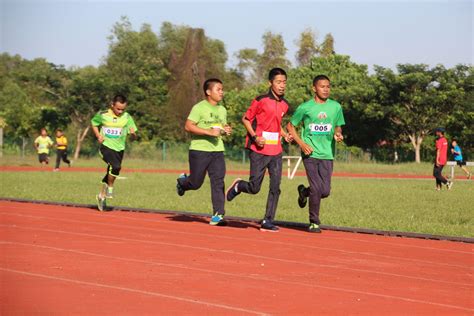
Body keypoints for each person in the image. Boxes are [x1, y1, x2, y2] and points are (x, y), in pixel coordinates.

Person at [226, 68, 292, 232]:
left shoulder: (285, 104)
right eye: (278, 82)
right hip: (259, 149)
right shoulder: (261, 100)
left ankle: (267, 221)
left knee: (275, 187)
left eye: (284, 82)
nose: (282, 85)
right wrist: (255, 137)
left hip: (276, 150)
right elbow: (246, 119)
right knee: (255, 188)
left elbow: (276, 125)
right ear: (270, 83)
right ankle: (239, 186)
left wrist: (285, 134)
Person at [286, 75, 345, 233]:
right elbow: (290, 126)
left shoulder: (336, 107)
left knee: (324, 191)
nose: (326, 89)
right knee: (317, 187)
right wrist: (302, 144)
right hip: (310, 153)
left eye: (328, 86)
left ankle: (304, 192)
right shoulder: (305, 107)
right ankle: (314, 222)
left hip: (327, 154)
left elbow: (338, 126)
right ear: (314, 88)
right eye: (322, 86)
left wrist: (338, 134)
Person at [176, 78, 232, 226]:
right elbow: (188, 126)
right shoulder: (199, 108)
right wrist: (208, 132)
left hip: (217, 150)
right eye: (218, 89)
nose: (221, 92)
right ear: (208, 92)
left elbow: (221, 126)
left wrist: (225, 130)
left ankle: (218, 215)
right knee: (196, 183)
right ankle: (182, 182)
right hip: (199, 150)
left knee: (218, 181)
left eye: (222, 89)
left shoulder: (222, 109)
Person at [91, 95, 137, 211]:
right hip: (105, 146)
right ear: (112, 105)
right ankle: (110, 187)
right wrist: (98, 135)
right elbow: (94, 123)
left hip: (119, 149)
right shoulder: (103, 114)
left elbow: (134, 137)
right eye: (118, 109)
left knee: (113, 170)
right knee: (115, 166)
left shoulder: (127, 117)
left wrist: (133, 134)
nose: (120, 111)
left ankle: (101, 196)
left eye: (123, 109)